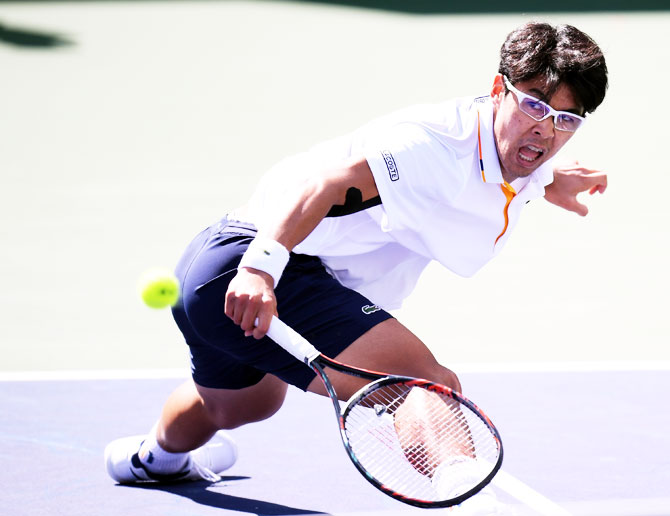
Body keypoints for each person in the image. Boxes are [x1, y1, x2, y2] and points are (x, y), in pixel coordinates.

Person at [105, 20, 607, 511]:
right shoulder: (428, 144)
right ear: (499, 88)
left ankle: (155, 458)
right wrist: (260, 268)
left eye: (567, 119)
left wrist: (551, 180)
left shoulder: (518, 150)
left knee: (241, 406)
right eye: (535, 105)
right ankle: (469, 501)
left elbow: (509, 165)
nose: (546, 127)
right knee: (423, 383)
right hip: (259, 267)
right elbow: (324, 182)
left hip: (214, 275)